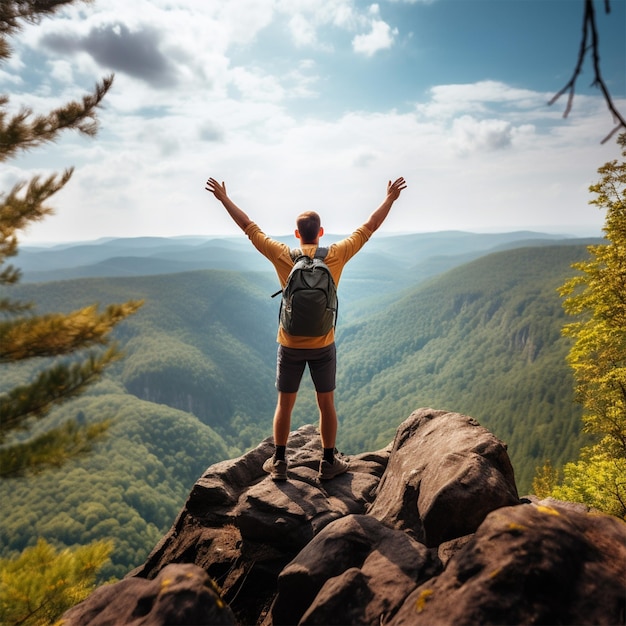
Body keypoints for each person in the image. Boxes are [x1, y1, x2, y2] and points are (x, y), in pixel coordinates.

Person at [205, 176, 407, 481]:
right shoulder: (336, 255)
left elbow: (249, 227)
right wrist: (390, 199)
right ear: (321, 233)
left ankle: (280, 461)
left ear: (297, 234)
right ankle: (328, 462)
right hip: (323, 344)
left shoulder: (283, 255)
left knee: (285, 405)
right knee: (326, 404)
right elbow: (369, 227)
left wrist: (223, 198)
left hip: (290, 344)